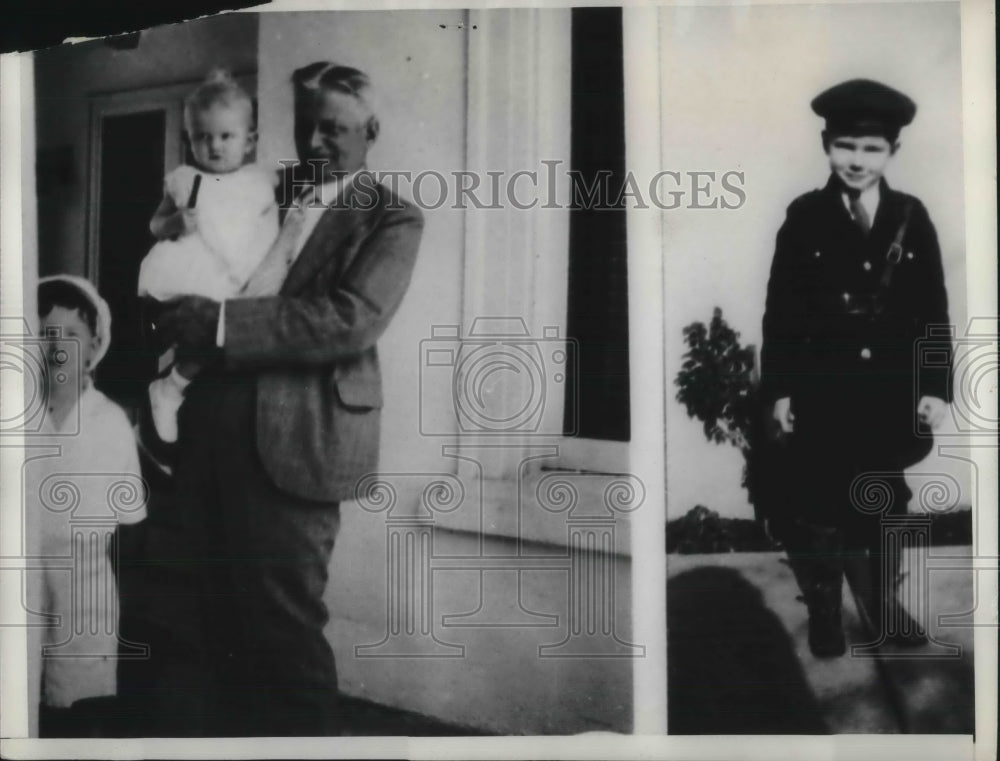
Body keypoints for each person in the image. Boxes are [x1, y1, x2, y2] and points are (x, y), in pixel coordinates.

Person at [153, 62, 423, 736]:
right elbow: (193, 234)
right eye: (306, 128)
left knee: (282, 632)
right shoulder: (264, 189)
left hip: (300, 440)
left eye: (334, 130)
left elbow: (350, 317)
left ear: (372, 132)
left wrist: (218, 324)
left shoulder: (392, 216)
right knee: (206, 622)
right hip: (213, 426)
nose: (315, 144)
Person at [760, 79, 952, 658]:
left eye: (871, 149)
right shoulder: (804, 216)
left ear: (893, 152)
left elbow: (933, 311)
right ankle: (824, 610)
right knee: (821, 498)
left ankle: (883, 604)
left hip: (890, 393)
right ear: (826, 144)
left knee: (885, 498)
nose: (856, 160)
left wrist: (936, 387)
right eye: (845, 145)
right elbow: (781, 311)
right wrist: (781, 390)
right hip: (824, 392)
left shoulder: (911, 218)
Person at [26, 275, 148, 737]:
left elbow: (130, 520)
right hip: (27, 577)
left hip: (86, 584)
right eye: (46, 333)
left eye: (70, 335)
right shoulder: (20, 416)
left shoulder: (109, 421)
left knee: (78, 702)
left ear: (94, 344)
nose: (57, 347)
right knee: (24, 692)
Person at [137, 69, 280, 446]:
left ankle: (177, 388)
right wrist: (174, 222)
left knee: (231, 336)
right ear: (189, 140)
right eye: (203, 137)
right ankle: (171, 386)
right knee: (200, 335)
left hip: (238, 267)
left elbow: (265, 230)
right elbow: (155, 224)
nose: (214, 146)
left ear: (250, 141)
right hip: (195, 268)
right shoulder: (186, 180)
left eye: (226, 136)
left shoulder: (259, 182)